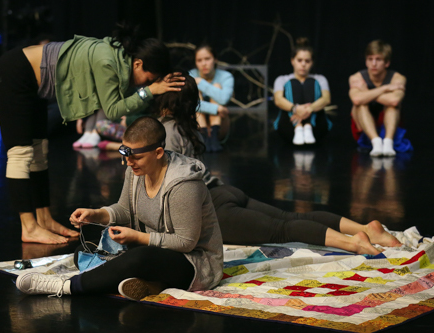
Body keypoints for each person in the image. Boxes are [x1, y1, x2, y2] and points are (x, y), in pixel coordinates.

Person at [155, 74, 400, 255]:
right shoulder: (188, 127)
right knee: (289, 217)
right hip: (224, 191)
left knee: (283, 230)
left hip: (211, 207)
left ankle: (354, 243)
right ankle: (366, 228)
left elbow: (174, 188)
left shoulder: (161, 132)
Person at [0, 23, 183, 244]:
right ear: (138, 63)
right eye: (149, 78)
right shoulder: (108, 62)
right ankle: (29, 227)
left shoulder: (118, 62)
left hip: (33, 83)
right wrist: (149, 91)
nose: (148, 84)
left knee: (39, 154)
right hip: (15, 73)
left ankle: (43, 220)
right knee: (20, 154)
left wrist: (148, 89)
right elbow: (112, 110)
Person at [15, 117, 224, 300]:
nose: (128, 163)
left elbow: (186, 242)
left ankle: (67, 286)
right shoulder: (135, 171)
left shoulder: (184, 185)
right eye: (126, 154)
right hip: (154, 247)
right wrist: (96, 214)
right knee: (84, 249)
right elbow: (125, 209)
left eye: (136, 157)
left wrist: (137, 238)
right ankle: (150, 285)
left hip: (194, 262)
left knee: (138, 258)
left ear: (158, 152)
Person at [349, 40, 408, 157]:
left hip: (388, 125)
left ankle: (387, 143)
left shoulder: (397, 78)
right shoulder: (356, 78)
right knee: (360, 105)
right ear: (366, 61)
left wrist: (366, 93)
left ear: (386, 63)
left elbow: (394, 100)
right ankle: (376, 142)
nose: (374, 64)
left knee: (392, 107)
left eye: (378, 59)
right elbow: (356, 99)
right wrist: (385, 88)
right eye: (370, 59)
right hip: (364, 126)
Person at [273, 38, 332, 146]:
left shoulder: (320, 79)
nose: (303, 64)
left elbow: (326, 99)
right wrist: (296, 109)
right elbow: (278, 100)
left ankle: (308, 126)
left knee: (310, 82)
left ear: (312, 62)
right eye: (299, 60)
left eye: (307, 61)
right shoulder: (282, 79)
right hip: (289, 127)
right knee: (294, 83)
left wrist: (308, 109)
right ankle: (298, 127)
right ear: (292, 61)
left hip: (315, 128)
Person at [189, 45, 233, 153]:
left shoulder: (226, 76)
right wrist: (217, 108)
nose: (204, 63)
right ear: (195, 62)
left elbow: (223, 99)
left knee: (217, 86)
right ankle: (203, 135)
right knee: (195, 93)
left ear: (215, 59)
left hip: (220, 127)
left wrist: (200, 82)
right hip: (197, 126)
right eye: (199, 60)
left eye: (207, 59)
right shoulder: (191, 75)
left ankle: (213, 137)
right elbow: (190, 104)